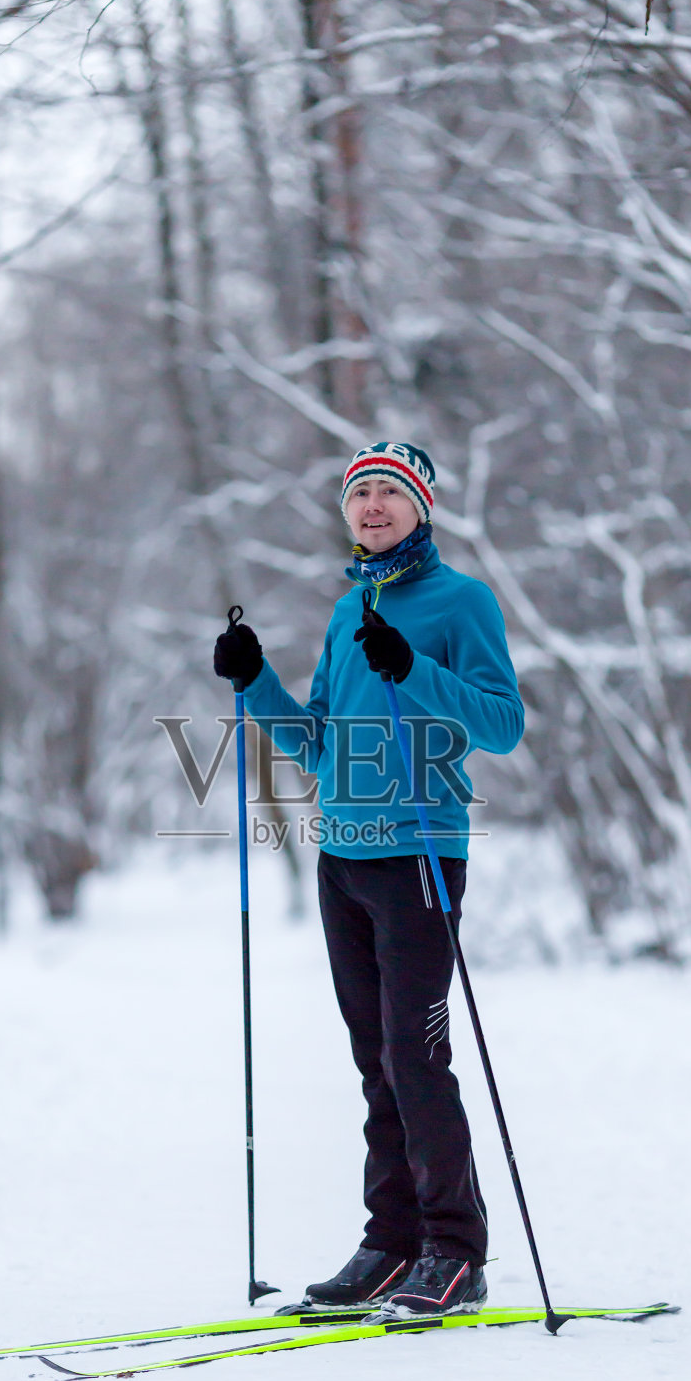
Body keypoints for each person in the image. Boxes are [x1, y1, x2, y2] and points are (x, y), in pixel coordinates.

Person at [213, 441, 523, 1317]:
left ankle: (455, 1252)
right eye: (360, 493)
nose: (373, 505)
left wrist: (413, 670)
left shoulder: (462, 601)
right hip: (342, 859)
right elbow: (316, 745)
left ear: (421, 508)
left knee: (416, 1059)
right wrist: (254, 682)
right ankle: (390, 1244)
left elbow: (502, 725)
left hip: (420, 853)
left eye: (390, 490)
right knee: (375, 1062)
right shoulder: (350, 607)